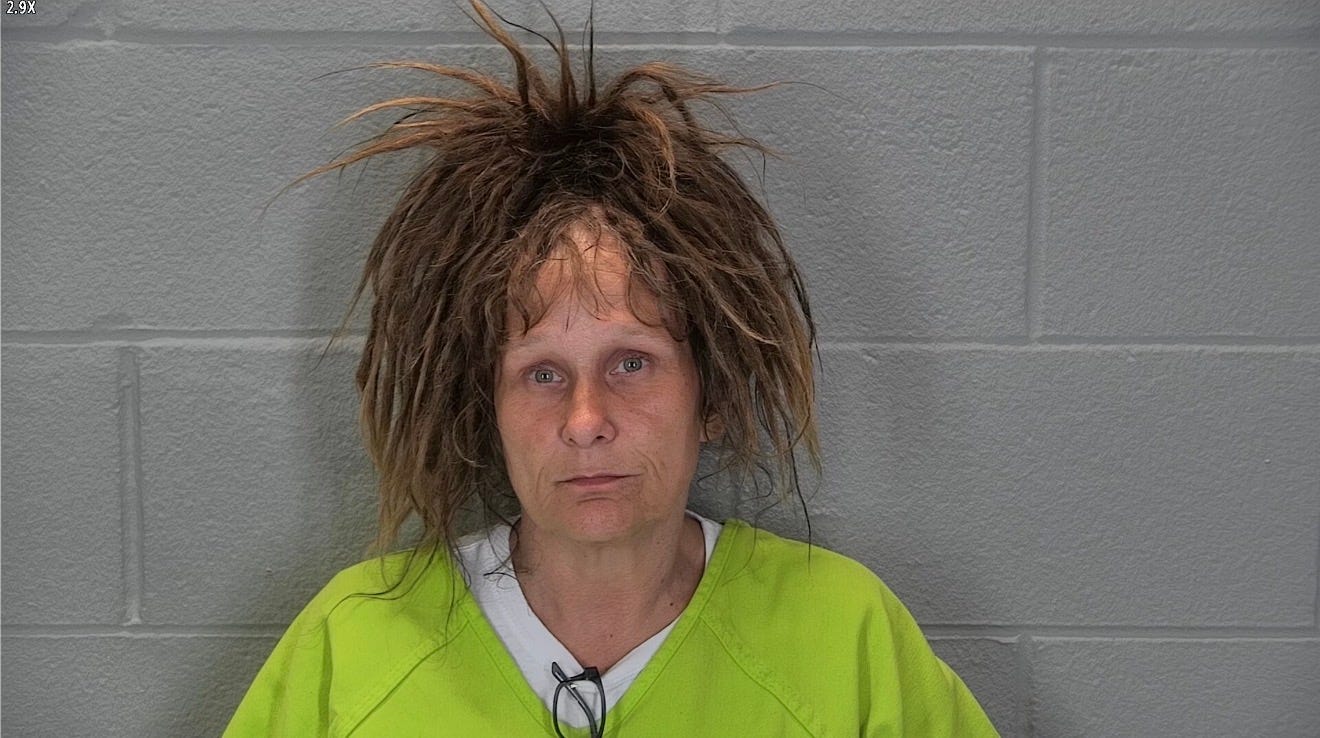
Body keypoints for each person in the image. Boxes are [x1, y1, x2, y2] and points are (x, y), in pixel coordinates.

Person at [225, 2, 999, 735]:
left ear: (711, 393)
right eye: (542, 373)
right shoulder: (354, 645)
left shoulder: (844, 636)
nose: (586, 420)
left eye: (632, 362)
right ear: (486, 407)